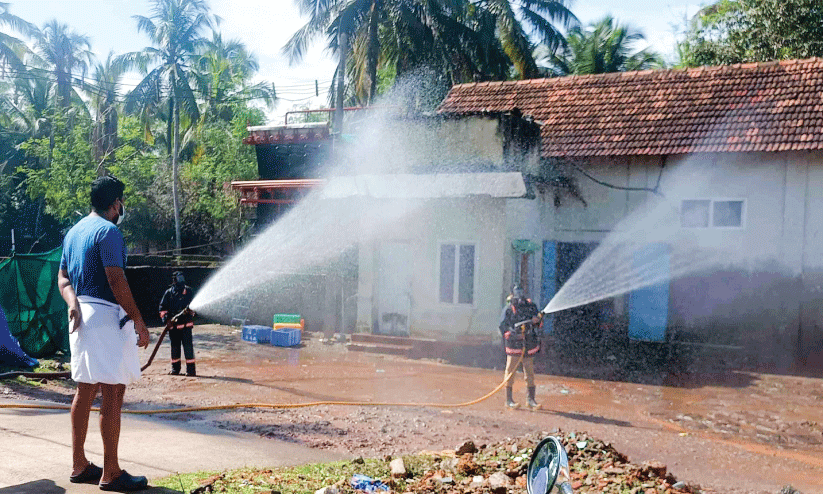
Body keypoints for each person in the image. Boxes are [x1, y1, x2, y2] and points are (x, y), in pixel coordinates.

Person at [58, 175, 150, 491]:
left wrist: (72, 304)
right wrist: (137, 319)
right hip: (106, 316)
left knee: (85, 388)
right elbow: (115, 280)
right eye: (121, 201)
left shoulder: (74, 232)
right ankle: (111, 472)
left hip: (81, 315)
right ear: (115, 203)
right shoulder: (109, 232)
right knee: (112, 390)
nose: (121, 207)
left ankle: (79, 464)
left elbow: (63, 279)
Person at [499, 284, 542, 410]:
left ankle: (531, 400)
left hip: (528, 344)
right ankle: (509, 400)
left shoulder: (531, 307)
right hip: (514, 345)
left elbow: (538, 323)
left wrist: (536, 321)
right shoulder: (508, 309)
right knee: (510, 371)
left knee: (529, 372)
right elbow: (502, 326)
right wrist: (510, 333)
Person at [158, 271, 196, 376]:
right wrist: (166, 319)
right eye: (179, 279)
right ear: (174, 280)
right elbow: (162, 309)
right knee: (175, 348)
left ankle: (191, 371)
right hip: (173, 327)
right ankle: (175, 369)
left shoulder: (188, 291)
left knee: (188, 348)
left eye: (182, 278)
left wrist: (191, 312)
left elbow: (194, 309)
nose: (181, 281)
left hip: (186, 326)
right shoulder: (169, 293)